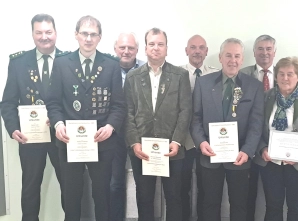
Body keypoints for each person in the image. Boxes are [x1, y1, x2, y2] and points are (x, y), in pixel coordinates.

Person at [46, 15, 126, 221]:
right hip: (70, 141)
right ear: (76, 35)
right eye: (84, 34)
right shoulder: (62, 63)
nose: (88, 39)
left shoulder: (111, 65)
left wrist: (110, 126)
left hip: (102, 141)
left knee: (102, 196)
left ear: (100, 38)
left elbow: (119, 105)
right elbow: (53, 102)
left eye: (93, 34)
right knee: (71, 196)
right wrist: (58, 124)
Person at [190, 38, 264, 221]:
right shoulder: (203, 83)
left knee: (240, 205)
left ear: (242, 58)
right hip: (210, 154)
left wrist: (247, 150)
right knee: (209, 203)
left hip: (240, 156)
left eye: (237, 56)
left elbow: (257, 123)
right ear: (220, 58)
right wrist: (201, 143)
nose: (233, 60)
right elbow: (195, 118)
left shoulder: (253, 86)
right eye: (228, 55)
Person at [0, 13, 65, 221]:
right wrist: (12, 128)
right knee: (29, 187)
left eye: (48, 32)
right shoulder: (19, 63)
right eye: (39, 32)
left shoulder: (68, 61)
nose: (44, 37)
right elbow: (8, 102)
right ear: (32, 34)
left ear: (56, 33)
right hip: (30, 137)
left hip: (61, 136)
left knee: (71, 186)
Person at [124, 27, 192, 221]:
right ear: (145, 48)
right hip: (142, 150)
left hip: (171, 149)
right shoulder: (133, 77)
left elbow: (185, 111)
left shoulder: (180, 76)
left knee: (174, 198)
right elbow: (128, 113)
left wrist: (177, 141)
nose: (156, 48)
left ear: (167, 48)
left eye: (160, 44)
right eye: (152, 44)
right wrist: (134, 142)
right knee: (144, 198)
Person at [254, 57, 298, 221]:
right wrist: (262, 148)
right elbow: (256, 128)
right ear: (276, 76)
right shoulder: (265, 97)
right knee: (272, 207)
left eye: (290, 74)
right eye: (281, 74)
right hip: (270, 162)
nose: (285, 78)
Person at [179, 34, 219, 221]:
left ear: (206, 51)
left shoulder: (217, 74)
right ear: (186, 50)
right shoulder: (176, 74)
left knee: (207, 189)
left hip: (208, 141)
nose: (197, 51)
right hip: (183, 140)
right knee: (181, 188)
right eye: (193, 47)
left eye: (201, 47)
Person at [239, 34, 277, 221]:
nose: (264, 53)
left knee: (273, 200)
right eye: (260, 49)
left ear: (275, 52)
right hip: (246, 146)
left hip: (273, 149)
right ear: (253, 52)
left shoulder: (285, 75)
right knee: (246, 197)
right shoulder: (242, 74)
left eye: (268, 49)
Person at [110, 31, 145, 221]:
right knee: (115, 183)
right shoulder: (107, 68)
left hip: (139, 133)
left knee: (143, 183)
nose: (126, 51)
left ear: (137, 50)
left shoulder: (146, 70)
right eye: (122, 47)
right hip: (113, 134)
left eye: (130, 48)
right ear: (115, 49)